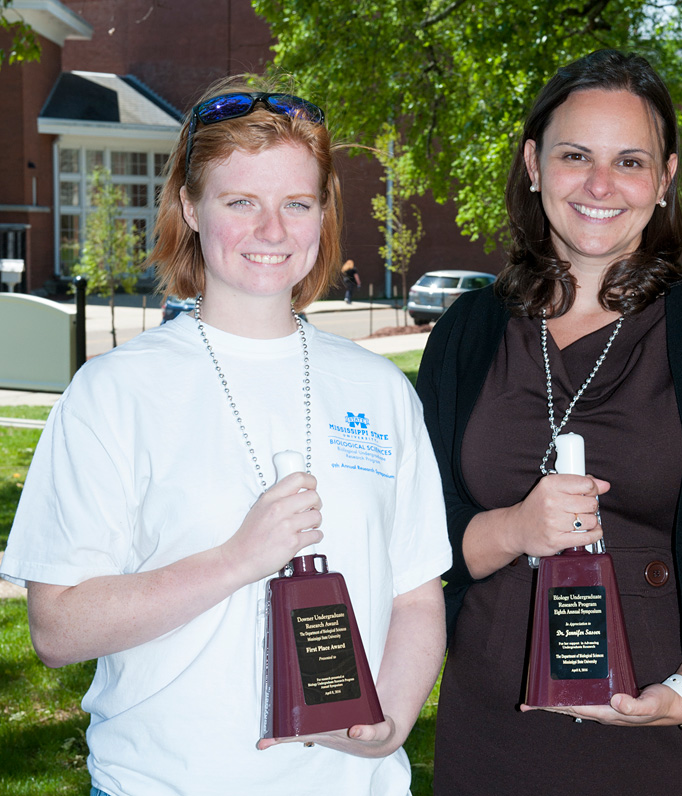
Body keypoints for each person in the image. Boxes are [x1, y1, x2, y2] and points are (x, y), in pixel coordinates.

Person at [0, 77, 451, 796]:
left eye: (295, 204)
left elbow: (417, 597)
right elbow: (57, 628)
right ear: (190, 208)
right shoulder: (116, 391)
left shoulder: (381, 392)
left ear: (322, 214)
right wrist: (240, 558)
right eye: (241, 202)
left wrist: (390, 723)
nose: (272, 231)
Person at [416, 49, 682, 795]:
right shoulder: (469, 334)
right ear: (534, 165)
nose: (600, 185)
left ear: (664, 179)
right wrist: (512, 529)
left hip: (660, 728)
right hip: (493, 728)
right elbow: (412, 533)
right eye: (576, 156)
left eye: (629, 161)